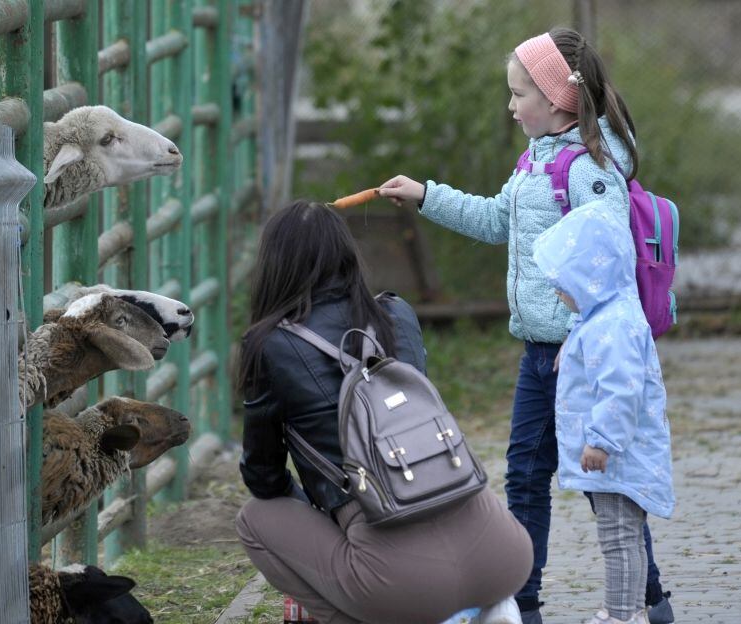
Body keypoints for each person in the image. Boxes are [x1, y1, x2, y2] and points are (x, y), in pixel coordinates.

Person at [377, 28, 674, 624]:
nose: (511, 107)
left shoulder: (590, 167)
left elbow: (609, 259)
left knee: (607, 487)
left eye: (518, 95)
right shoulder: (537, 156)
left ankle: (647, 602)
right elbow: (495, 221)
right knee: (526, 477)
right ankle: (525, 603)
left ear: (557, 98)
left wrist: (580, 336)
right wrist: (426, 195)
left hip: (578, 356)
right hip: (539, 354)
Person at [234, 200, 532, 624]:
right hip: (502, 555)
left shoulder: (270, 345)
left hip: (399, 582)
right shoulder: (395, 312)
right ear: (347, 253)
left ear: (274, 266)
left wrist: (324, 508)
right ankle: (485, 609)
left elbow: (263, 478)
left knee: (255, 519)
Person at [531, 202, 674, 624]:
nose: (559, 292)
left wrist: (601, 442)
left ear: (592, 278)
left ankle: (622, 613)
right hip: (616, 456)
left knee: (620, 538)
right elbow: (593, 354)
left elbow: (620, 391)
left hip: (618, 455)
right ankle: (623, 609)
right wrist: (569, 350)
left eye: (564, 283)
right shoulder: (604, 315)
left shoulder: (614, 327)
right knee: (619, 536)